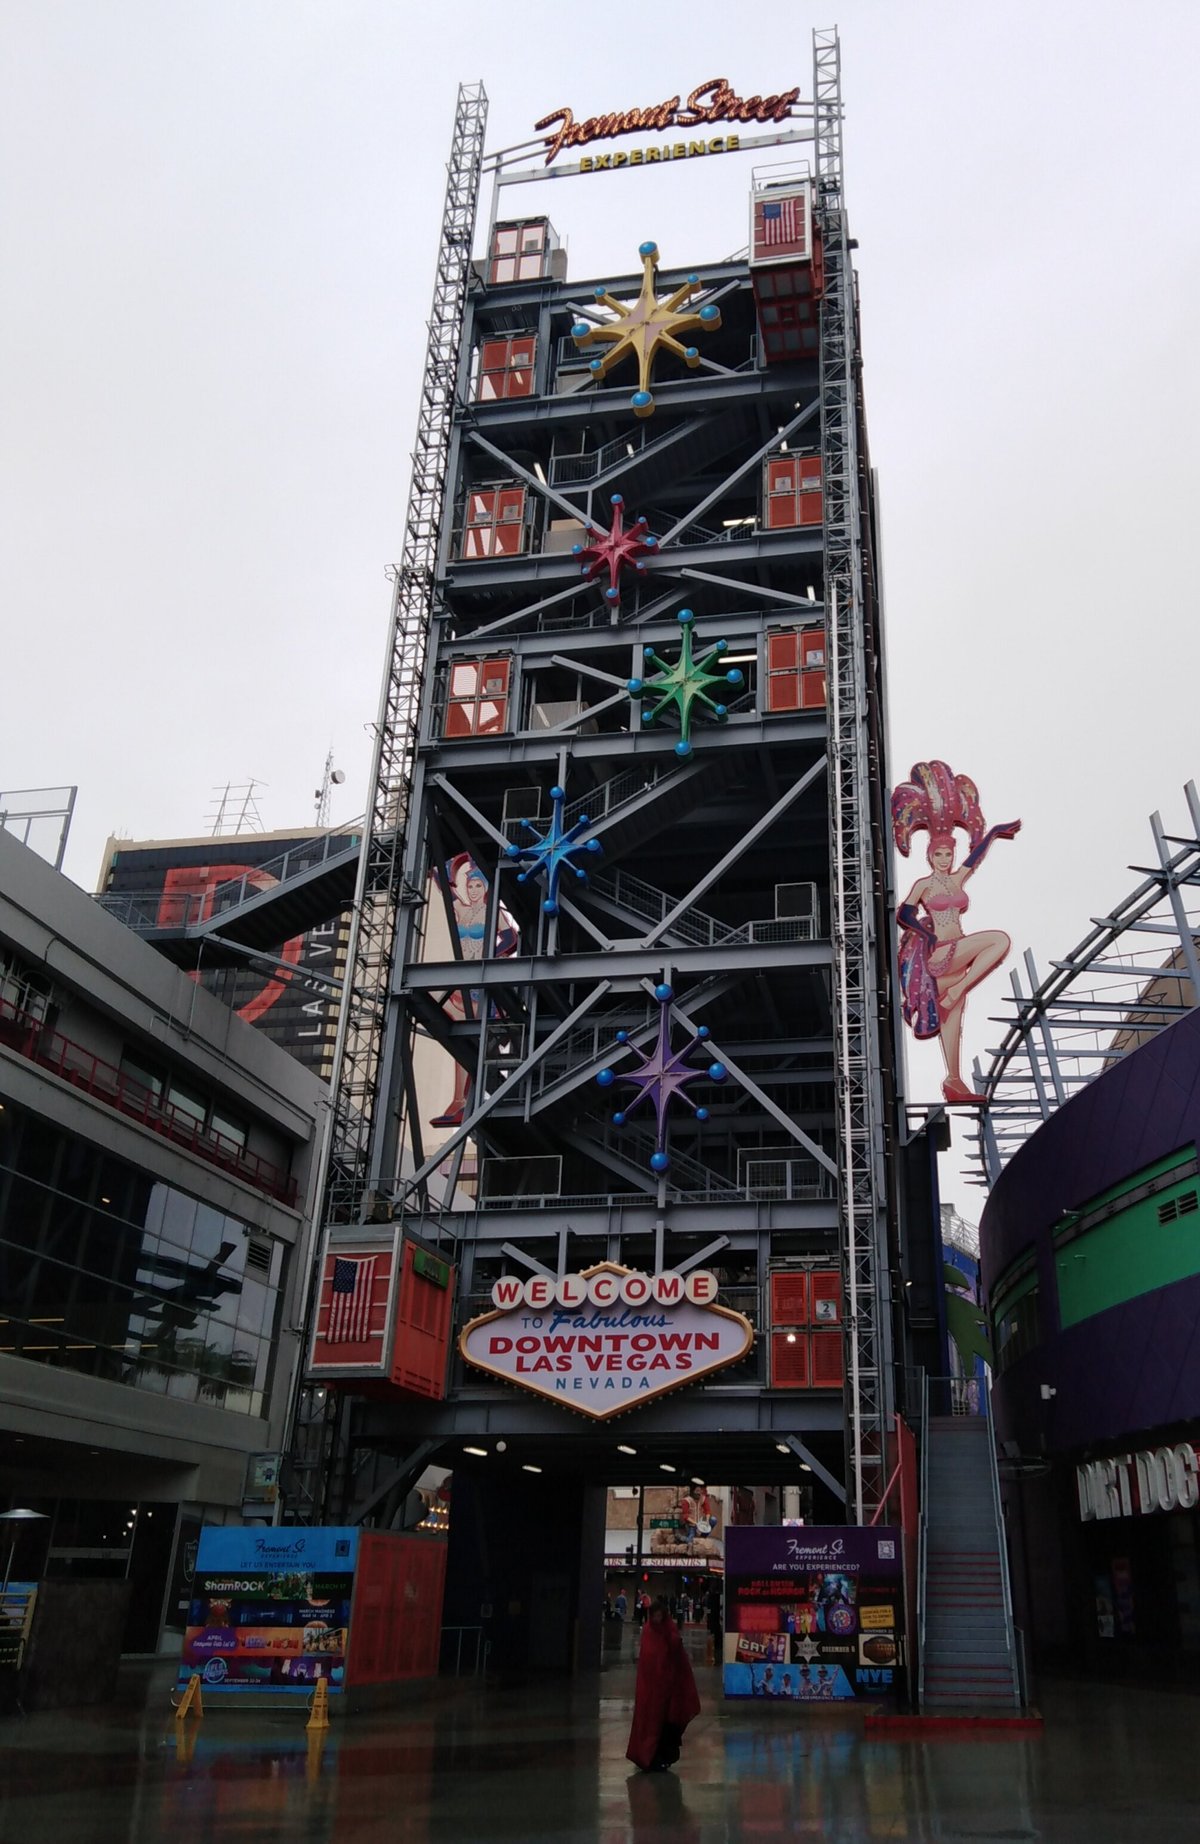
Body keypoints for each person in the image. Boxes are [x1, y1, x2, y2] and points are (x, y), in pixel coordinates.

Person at [892, 760, 1020, 1104]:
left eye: (949, 853)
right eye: (940, 854)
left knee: (953, 1019)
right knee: (998, 940)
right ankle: (958, 988)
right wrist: (926, 932)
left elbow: (975, 858)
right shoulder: (924, 884)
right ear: (931, 856)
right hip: (942, 953)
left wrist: (992, 833)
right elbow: (904, 911)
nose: (946, 858)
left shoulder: (956, 879)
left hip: (955, 962)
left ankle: (954, 1082)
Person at [626, 1599, 701, 1773]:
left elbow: (675, 1658)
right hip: (653, 1688)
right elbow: (650, 1659)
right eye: (655, 1616)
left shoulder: (668, 1630)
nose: (658, 1619)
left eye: (660, 1616)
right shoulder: (650, 1632)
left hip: (668, 1688)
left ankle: (660, 1757)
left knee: (665, 1725)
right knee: (653, 1723)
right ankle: (651, 1757)